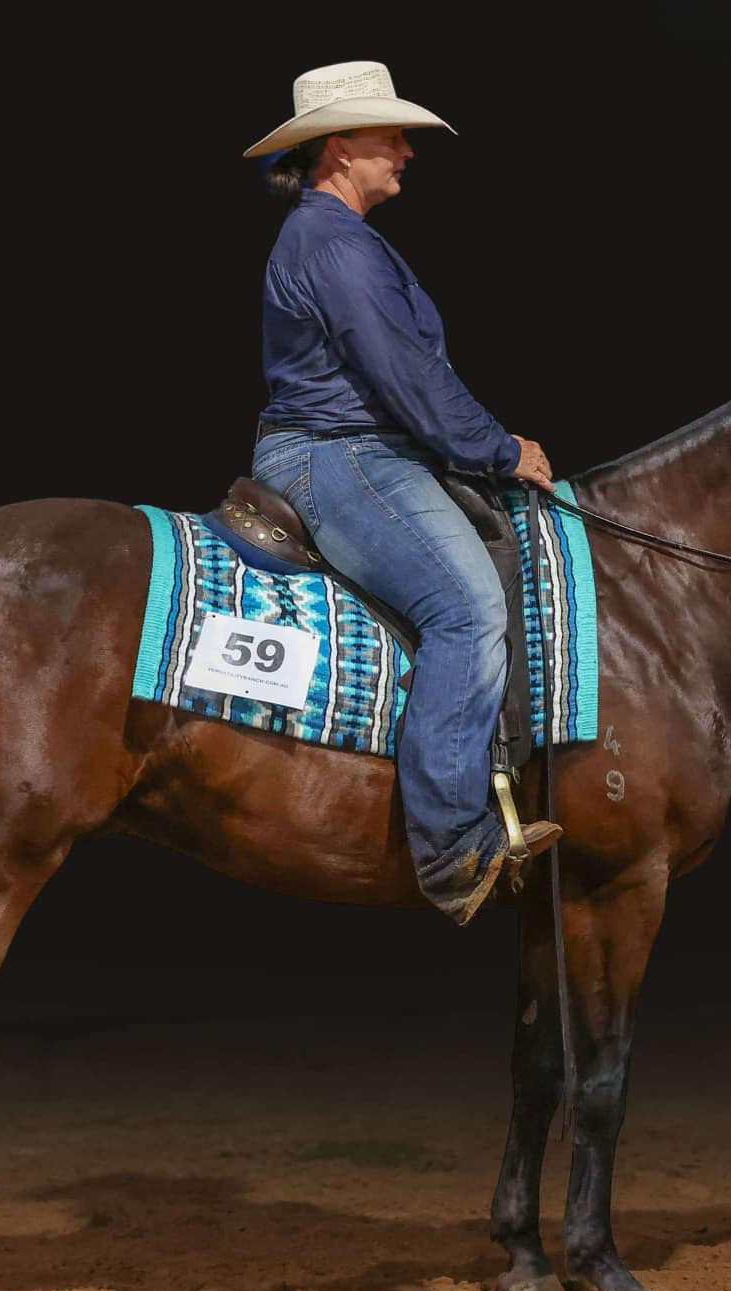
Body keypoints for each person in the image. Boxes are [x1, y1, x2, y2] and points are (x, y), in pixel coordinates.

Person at [242, 60, 563, 925]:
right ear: (339, 147)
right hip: (340, 456)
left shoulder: (339, 238)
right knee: (467, 608)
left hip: (362, 449)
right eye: (392, 136)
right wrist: (501, 449)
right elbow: (408, 379)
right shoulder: (333, 244)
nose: (409, 152)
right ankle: (454, 847)